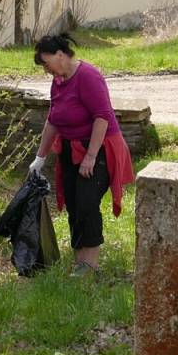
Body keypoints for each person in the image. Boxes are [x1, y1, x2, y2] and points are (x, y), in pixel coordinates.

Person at [28, 34, 134, 277]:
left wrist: (91, 156)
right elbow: (53, 121)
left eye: (46, 63)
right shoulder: (58, 81)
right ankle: (79, 263)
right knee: (74, 204)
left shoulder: (88, 76)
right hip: (69, 149)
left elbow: (102, 116)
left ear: (60, 55)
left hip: (99, 148)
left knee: (87, 202)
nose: (45, 69)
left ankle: (91, 264)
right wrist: (40, 158)